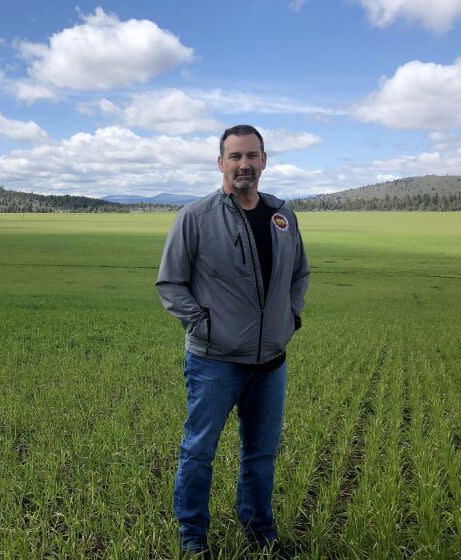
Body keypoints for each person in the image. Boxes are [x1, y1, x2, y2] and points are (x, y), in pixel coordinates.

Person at [155, 125, 309, 557]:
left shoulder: (283, 217)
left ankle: (261, 534)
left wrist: (290, 317)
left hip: (271, 361)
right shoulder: (196, 217)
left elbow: (300, 274)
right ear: (220, 162)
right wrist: (203, 326)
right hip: (215, 361)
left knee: (261, 455)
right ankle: (192, 539)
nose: (244, 165)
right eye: (235, 157)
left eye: (252, 156)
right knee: (199, 450)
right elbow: (170, 283)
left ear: (265, 160)